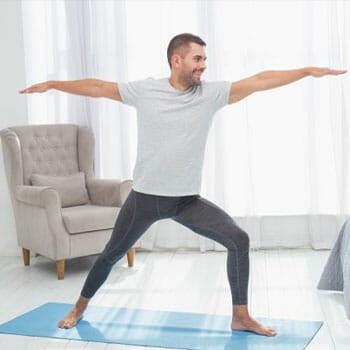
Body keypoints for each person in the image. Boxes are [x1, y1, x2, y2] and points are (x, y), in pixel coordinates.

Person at [20, 33, 346, 337]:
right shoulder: (145, 91)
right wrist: (52, 84)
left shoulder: (211, 95)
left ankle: (241, 315)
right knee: (109, 255)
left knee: (238, 239)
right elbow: (97, 86)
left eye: (205, 60)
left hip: (185, 201)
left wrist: (306, 71)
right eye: (197, 59)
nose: (203, 66)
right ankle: (79, 307)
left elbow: (260, 80)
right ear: (177, 60)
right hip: (144, 199)